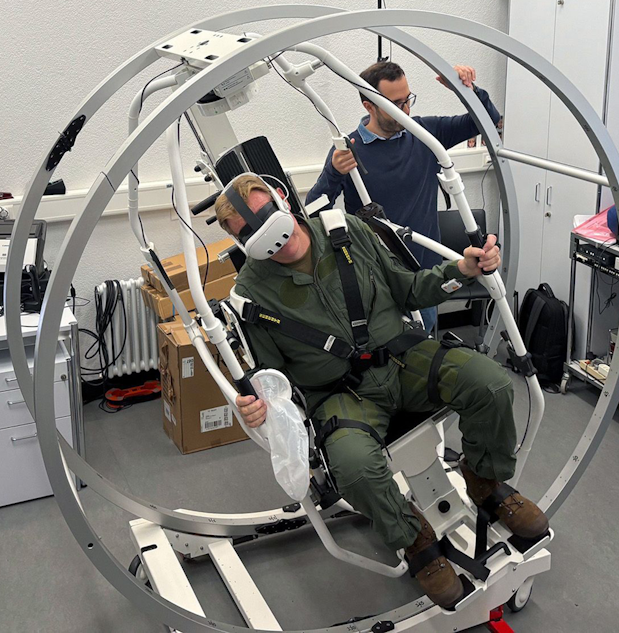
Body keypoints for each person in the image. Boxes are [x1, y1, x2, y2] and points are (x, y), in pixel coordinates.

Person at [214, 174, 548, 609]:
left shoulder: (345, 230)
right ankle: (415, 541)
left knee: (492, 384)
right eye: (251, 231)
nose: (271, 234)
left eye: (267, 213)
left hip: (405, 359)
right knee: (354, 467)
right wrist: (257, 407)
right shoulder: (250, 297)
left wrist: (460, 271)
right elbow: (273, 384)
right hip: (340, 396)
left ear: (283, 198)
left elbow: (408, 289)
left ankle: (485, 481)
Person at [305, 61, 501, 332]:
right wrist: (334, 172)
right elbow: (313, 211)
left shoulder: (425, 134)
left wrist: (465, 89)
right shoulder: (350, 150)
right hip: (377, 277)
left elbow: (489, 120)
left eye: (407, 100)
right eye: (395, 104)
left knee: (423, 348)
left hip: (425, 273)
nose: (406, 110)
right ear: (369, 106)